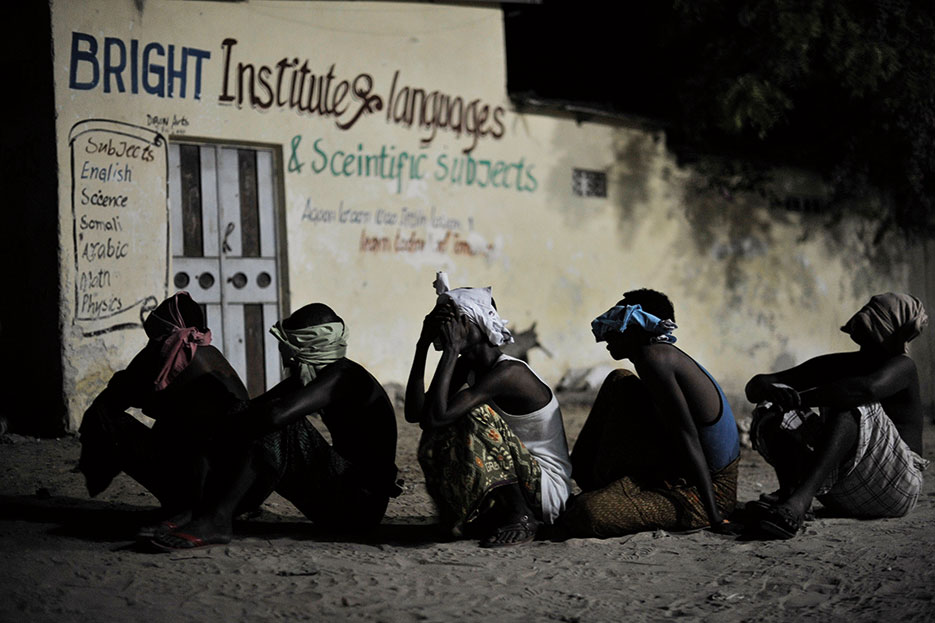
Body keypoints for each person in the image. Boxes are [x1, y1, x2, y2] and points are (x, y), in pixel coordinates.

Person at [152, 303, 401, 550]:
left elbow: (273, 416)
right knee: (253, 418)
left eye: (285, 344)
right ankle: (204, 510)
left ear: (300, 348)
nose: (282, 352)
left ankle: (217, 519)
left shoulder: (342, 377)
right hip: (341, 496)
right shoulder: (317, 376)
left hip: (358, 508)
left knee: (278, 424)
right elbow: (251, 410)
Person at [405, 273, 572, 547]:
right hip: (516, 477)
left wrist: (450, 350)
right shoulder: (467, 366)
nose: (448, 330)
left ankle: (521, 517)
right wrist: (422, 345)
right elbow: (418, 415)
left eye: (456, 322)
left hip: (546, 491)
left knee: (471, 413)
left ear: (477, 323)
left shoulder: (509, 372)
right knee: (441, 425)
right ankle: (467, 513)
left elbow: (438, 416)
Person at [744, 292, 929, 539]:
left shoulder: (902, 366)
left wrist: (799, 399)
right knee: (770, 404)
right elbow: (759, 385)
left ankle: (798, 502)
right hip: (843, 493)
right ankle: (791, 493)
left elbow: (866, 390)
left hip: (897, 487)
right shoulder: (840, 364)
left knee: (852, 401)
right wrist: (769, 390)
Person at [558, 289, 740, 538]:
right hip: (673, 468)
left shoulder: (655, 359)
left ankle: (604, 496)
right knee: (619, 381)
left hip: (706, 491)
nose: (608, 332)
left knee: (586, 515)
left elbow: (688, 436)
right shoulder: (654, 355)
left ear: (635, 327)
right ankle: (601, 486)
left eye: (617, 323)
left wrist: (715, 516)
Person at [78, 291, 248, 531]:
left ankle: (180, 505)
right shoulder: (212, 355)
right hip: (239, 491)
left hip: (206, 492)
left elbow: (112, 399)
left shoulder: (171, 352)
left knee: (102, 417)